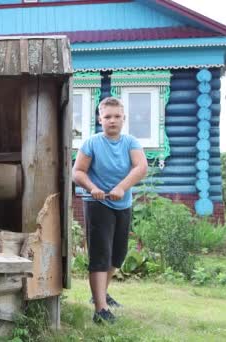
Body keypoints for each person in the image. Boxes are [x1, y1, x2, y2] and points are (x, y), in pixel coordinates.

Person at [72, 96, 148, 324]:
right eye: (107, 117)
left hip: (122, 203)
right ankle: (100, 310)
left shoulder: (131, 142)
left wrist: (121, 188)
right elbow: (78, 172)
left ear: (123, 118)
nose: (112, 121)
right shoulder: (92, 143)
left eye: (116, 116)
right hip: (98, 203)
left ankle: (101, 293)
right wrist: (93, 188)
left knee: (118, 254)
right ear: (100, 119)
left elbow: (141, 166)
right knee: (100, 255)